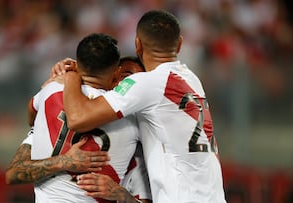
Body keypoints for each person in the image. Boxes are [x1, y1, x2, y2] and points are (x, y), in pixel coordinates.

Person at [58, 10, 226, 202]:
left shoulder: (146, 83)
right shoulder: (192, 79)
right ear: (179, 43)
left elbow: (78, 119)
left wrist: (71, 75)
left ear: (137, 44)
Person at [6, 33, 150, 203]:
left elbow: (32, 111)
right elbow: (13, 174)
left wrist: (123, 196)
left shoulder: (51, 91)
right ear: (115, 72)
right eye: (125, 77)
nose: (126, 85)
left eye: (134, 81)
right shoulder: (130, 123)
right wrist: (64, 161)